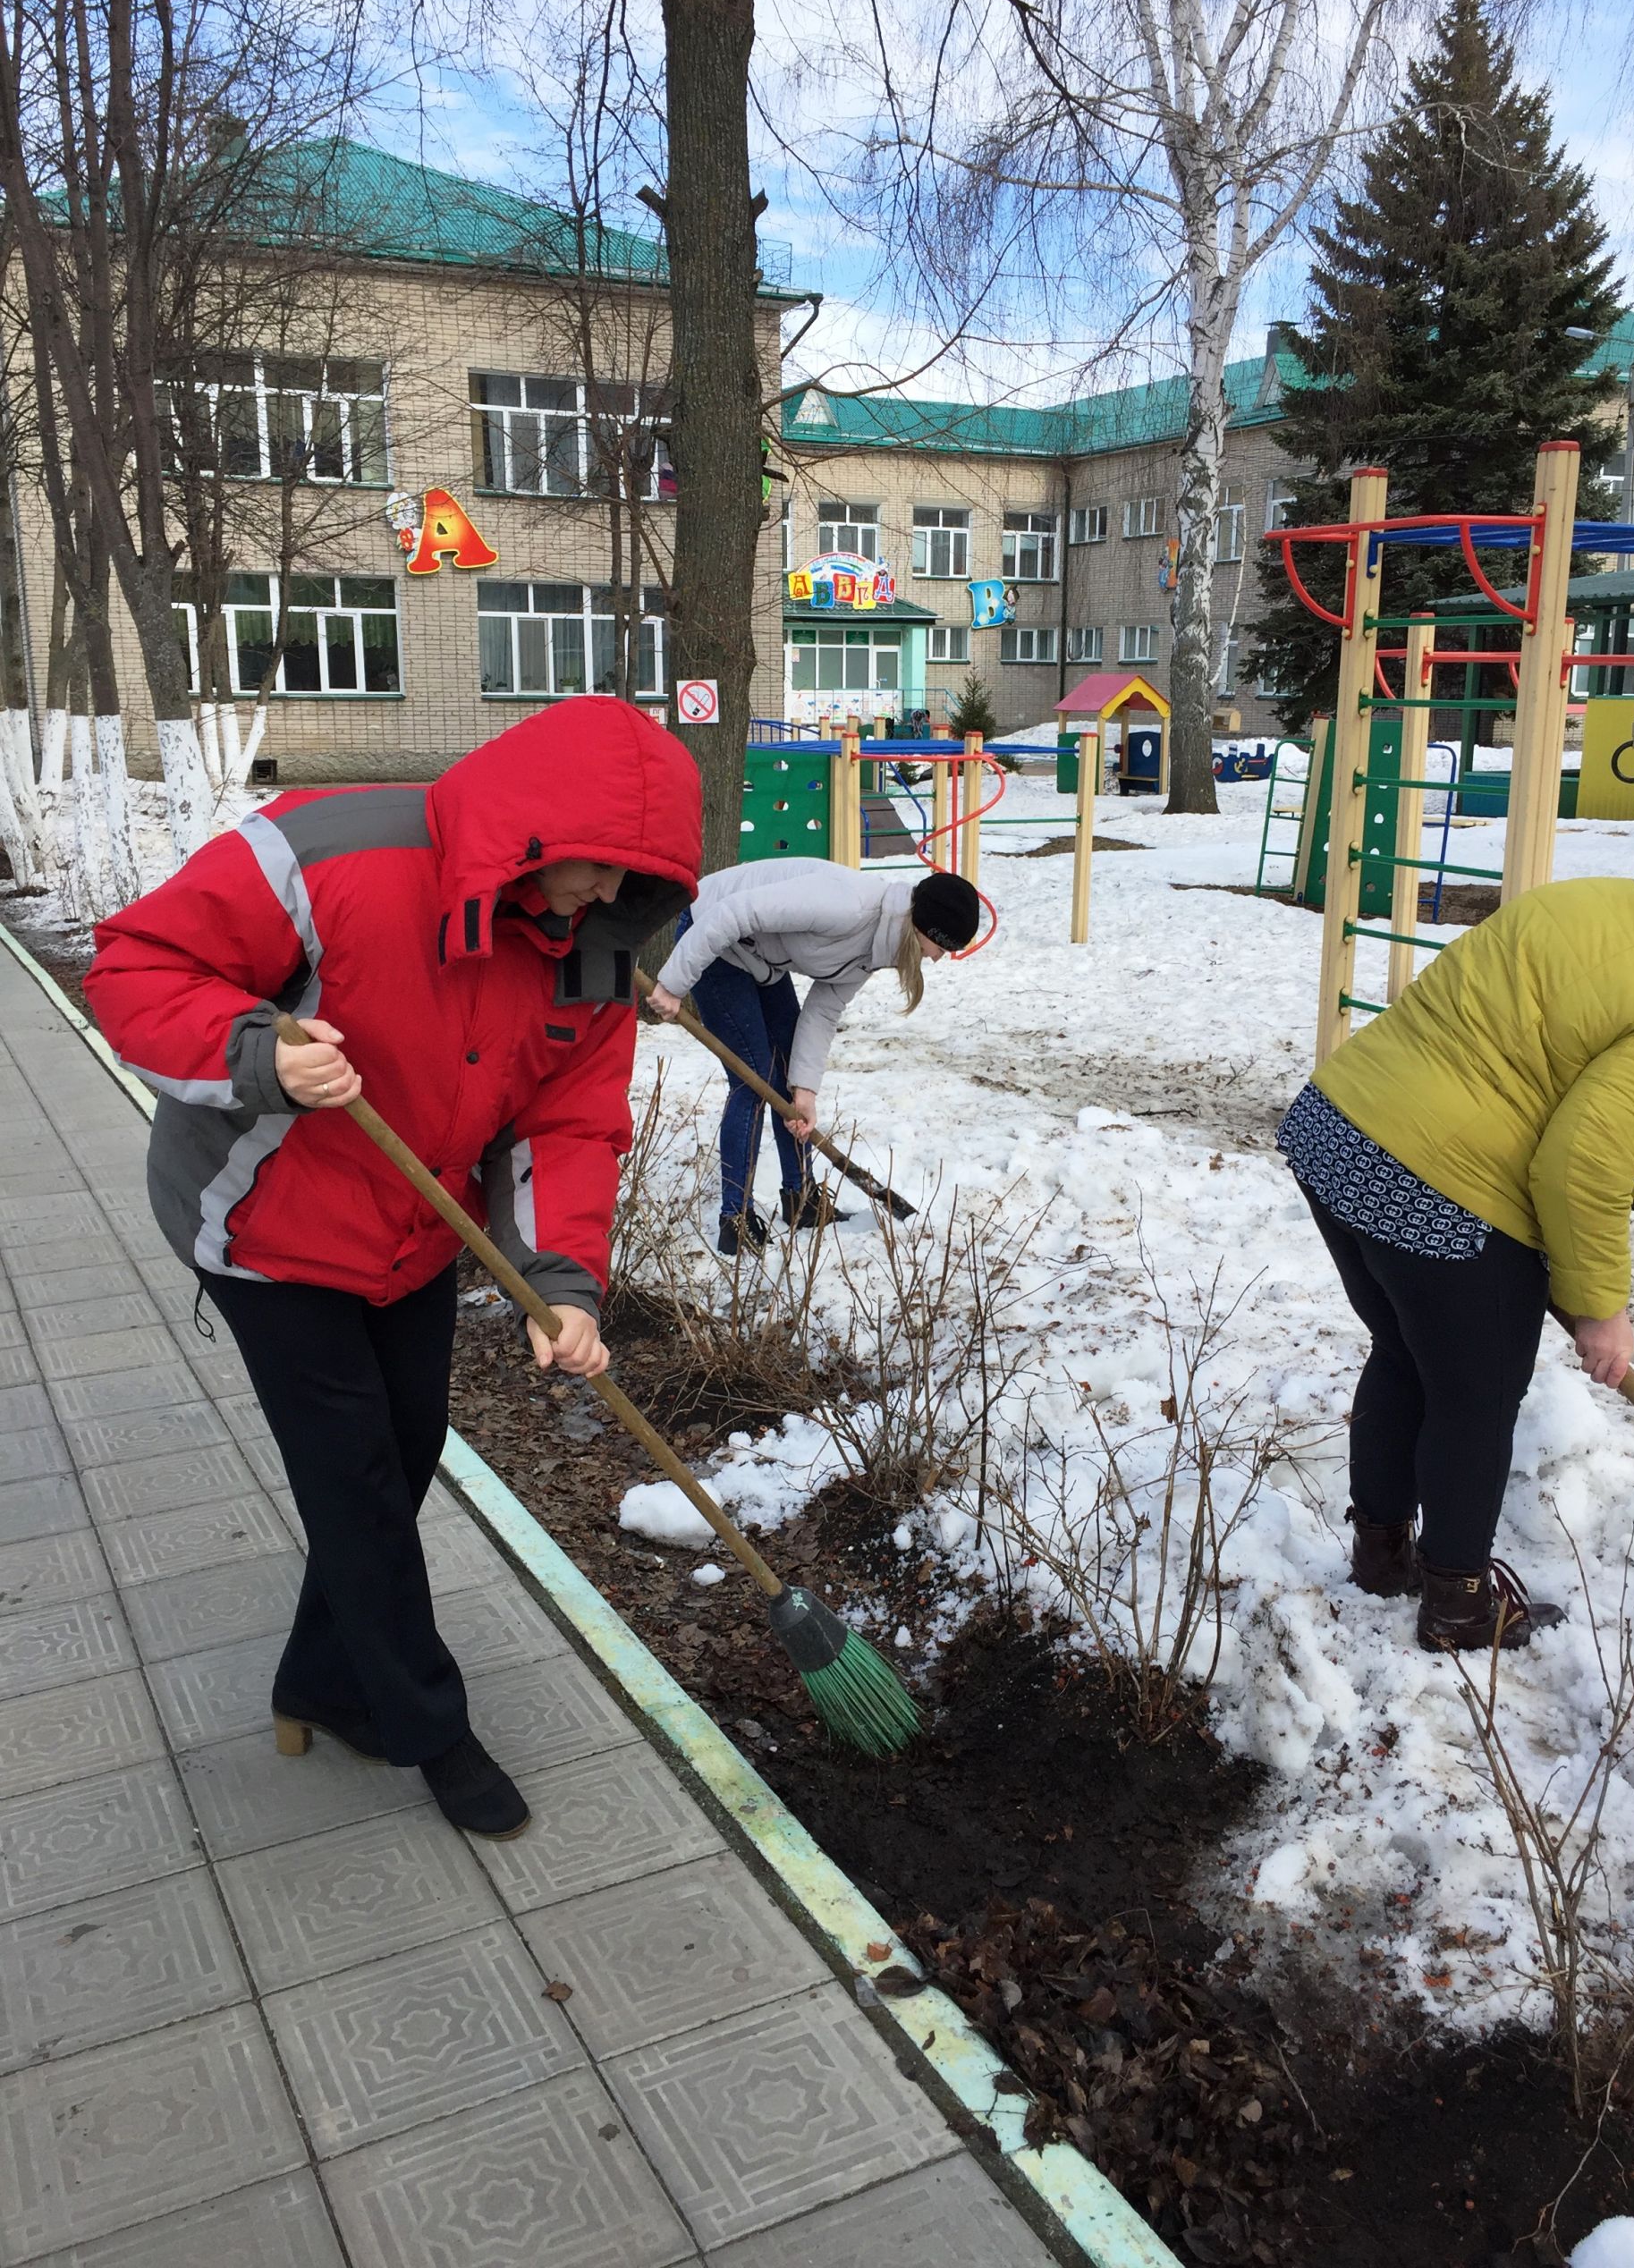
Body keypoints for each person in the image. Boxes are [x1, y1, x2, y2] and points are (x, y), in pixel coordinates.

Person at [85, 701, 701, 1839]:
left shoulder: (596, 951)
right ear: (531, 828)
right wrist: (255, 1050)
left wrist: (562, 1282)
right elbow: (138, 964)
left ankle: (317, 1684)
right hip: (265, 1224)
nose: (611, 897)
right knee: (356, 1478)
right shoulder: (326, 854)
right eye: (600, 867)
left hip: (417, 1235)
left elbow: (567, 1123)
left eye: (639, 879)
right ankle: (424, 1726)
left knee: (407, 1447)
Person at [1278, 859, 1634, 1654]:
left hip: (1336, 1127)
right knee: (1474, 1397)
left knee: (1408, 1355)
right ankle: (1458, 1604)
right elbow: (1582, 1160)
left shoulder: (1611, 899)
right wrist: (1602, 1310)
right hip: (1437, 1181)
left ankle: (1381, 1556)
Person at [648, 863, 980, 1252]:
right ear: (924, 928)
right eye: (941, 947)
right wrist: (673, 984)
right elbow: (734, 914)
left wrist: (804, 1089)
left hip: (762, 958)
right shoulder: (847, 906)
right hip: (715, 932)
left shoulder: (879, 945)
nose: (938, 958)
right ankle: (734, 1218)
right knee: (755, 1079)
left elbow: (824, 1009)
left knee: (788, 1074)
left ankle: (800, 1200)